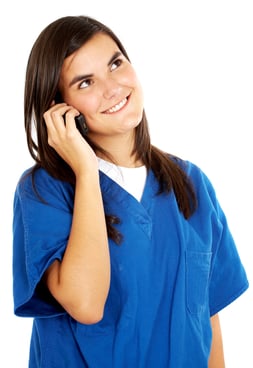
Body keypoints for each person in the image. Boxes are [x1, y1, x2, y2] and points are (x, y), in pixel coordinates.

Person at [12, 15, 249, 368]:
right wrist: (86, 172)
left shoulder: (191, 184)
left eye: (115, 63)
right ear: (59, 110)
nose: (112, 87)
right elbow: (87, 304)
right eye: (86, 82)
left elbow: (208, 316)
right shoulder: (44, 191)